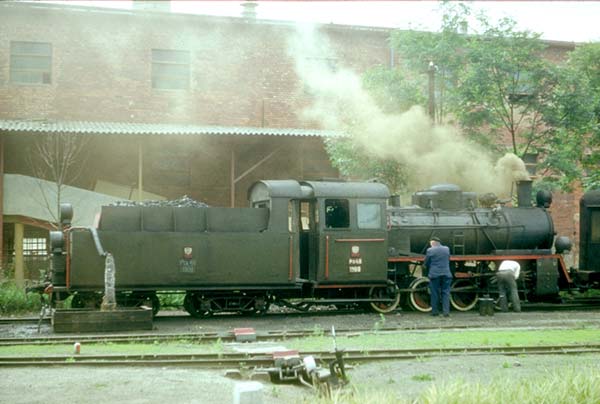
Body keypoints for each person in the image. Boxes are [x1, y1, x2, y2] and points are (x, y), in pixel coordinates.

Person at [424, 236, 452, 317]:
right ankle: (446, 312)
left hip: (435, 275)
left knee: (434, 293)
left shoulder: (430, 250)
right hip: (446, 274)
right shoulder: (447, 249)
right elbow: (448, 259)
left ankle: (435, 312)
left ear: (432, 243)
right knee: (446, 292)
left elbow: (426, 262)